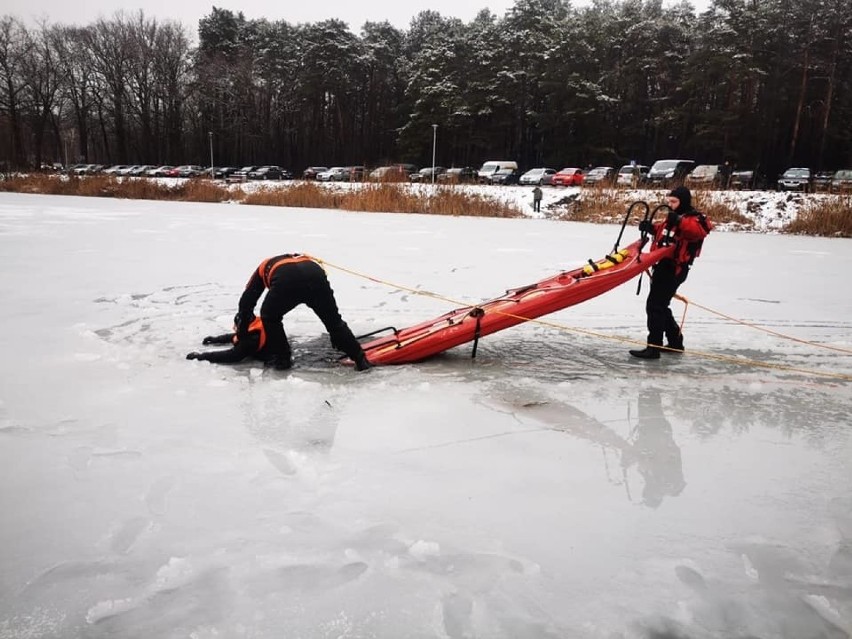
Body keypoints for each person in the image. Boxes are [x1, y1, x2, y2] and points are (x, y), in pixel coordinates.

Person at [193, 254, 371, 371]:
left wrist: (242, 326)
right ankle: (359, 357)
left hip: (287, 280)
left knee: (270, 316)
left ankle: (283, 359)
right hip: (314, 273)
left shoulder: (262, 269)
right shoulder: (274, 262)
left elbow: (247, 300)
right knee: (334, 322)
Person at [630, 186, 713, 359]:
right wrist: (651, 228)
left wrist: (678, 221)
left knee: (654, 306)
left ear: (683, 202)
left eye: (674, 202)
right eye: (669, 201)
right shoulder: (674, 219)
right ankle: (675, 343)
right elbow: (664, 231)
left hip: (675, 269)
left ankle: (654, 347)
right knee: (660, 305)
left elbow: (697, 232)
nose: (670, 205)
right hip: (662, 266)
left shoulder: (694, 219)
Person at [186, 313, 269, 364]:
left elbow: (231, 356)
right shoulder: (254, 329)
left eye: (236, 325)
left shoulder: (251, 340)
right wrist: (216, 339)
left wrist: (202, 356)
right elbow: (234, 337)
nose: (234, 327)